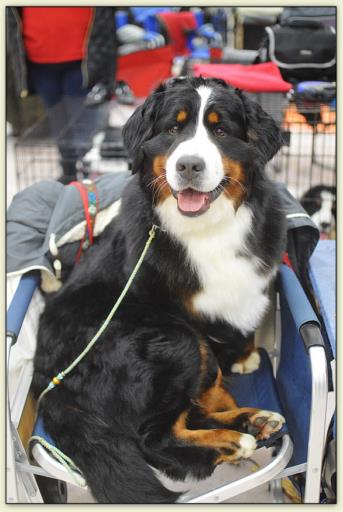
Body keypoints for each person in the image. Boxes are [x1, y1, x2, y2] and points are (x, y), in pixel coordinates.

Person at [7, 7, 118, 184]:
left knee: (83, 122)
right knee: (58, 119)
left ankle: (83, 169)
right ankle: (69, 171)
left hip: (83, 60)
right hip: (38, 60)